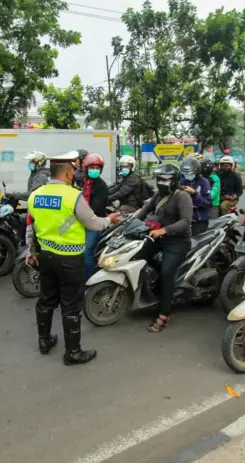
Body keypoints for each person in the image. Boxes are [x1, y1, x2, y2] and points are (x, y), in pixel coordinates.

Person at [26, 151, 121, 365]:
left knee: (46, 299)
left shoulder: (35, 195)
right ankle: (73, 353)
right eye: (73, 170)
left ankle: (44, 341)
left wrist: (32, 253)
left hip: (46, 256)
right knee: (70, 304)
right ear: (69, 172)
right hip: (69, 258)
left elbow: (30, 228)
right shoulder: (72, 196)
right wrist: (110, 219)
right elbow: (93, 224)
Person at [132, 163, 193, 333]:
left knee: (167, 272)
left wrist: (164, 230)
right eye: (159, 179)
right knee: (139, 255)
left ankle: (164, 314)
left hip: (178, 240)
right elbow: (144, 210)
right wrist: (127, 221)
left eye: (166, 179)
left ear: (174, 181)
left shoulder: (182, 197)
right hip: (157, 236)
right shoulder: (158, 194)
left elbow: (185, 221)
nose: (162, 182)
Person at [80, 153, 109, 280]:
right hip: (82, 220)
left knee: (87, 253)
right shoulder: (84, 182)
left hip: (95, 223)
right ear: (85, 168)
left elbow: (94, 210)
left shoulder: (101, 186)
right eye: (92, 167)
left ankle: (90, 281)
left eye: (98, 168)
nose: (95, 170)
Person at [180, 157, 212, 235]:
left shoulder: (204, 182)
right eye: (185, 174)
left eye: (190, 173)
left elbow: (207, 203)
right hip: (184, 219)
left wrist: (194, 193)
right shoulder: (182, 182)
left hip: (199, 220)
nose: (187, 175)